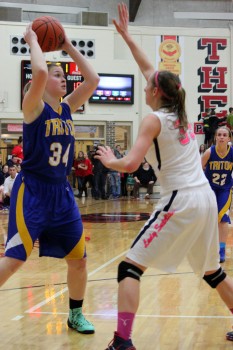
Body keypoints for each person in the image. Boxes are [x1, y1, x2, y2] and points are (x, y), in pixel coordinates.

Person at [95, 3, 233, 348]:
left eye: (148, 86)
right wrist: (127, 36)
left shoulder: (153, 119)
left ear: (156, 92)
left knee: (129, 268)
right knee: (212, 271)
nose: (144, 87)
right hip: (202, 198)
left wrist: (111, 160)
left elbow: (130, 165)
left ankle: (122, 342)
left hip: (180, 199)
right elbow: (148, 68)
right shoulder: (178, 111)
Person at [0, 23, 99, 334]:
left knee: (79, 260)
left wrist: (67, 45)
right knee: (15, 259)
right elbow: (40, 73)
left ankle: (75, 314)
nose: (63, 78)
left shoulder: (68, 109)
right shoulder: (32, 107)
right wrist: (33, 41)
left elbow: (93, 79)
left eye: (64, 76)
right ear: (39, 83)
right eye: (59, 75)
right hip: (32, 190)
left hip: (62, 193)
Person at [202, 126, 233, 263]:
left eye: (224, 135)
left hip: (225, 189)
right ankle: (208, 248)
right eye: (219, 134)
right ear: (215, 137)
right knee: (209, 220)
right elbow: (198, 169)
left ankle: (221, 249)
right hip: (209, 190)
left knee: (223, 219)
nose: (221, 137)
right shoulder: (209, 152)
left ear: (229, 138)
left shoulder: (232, 153)